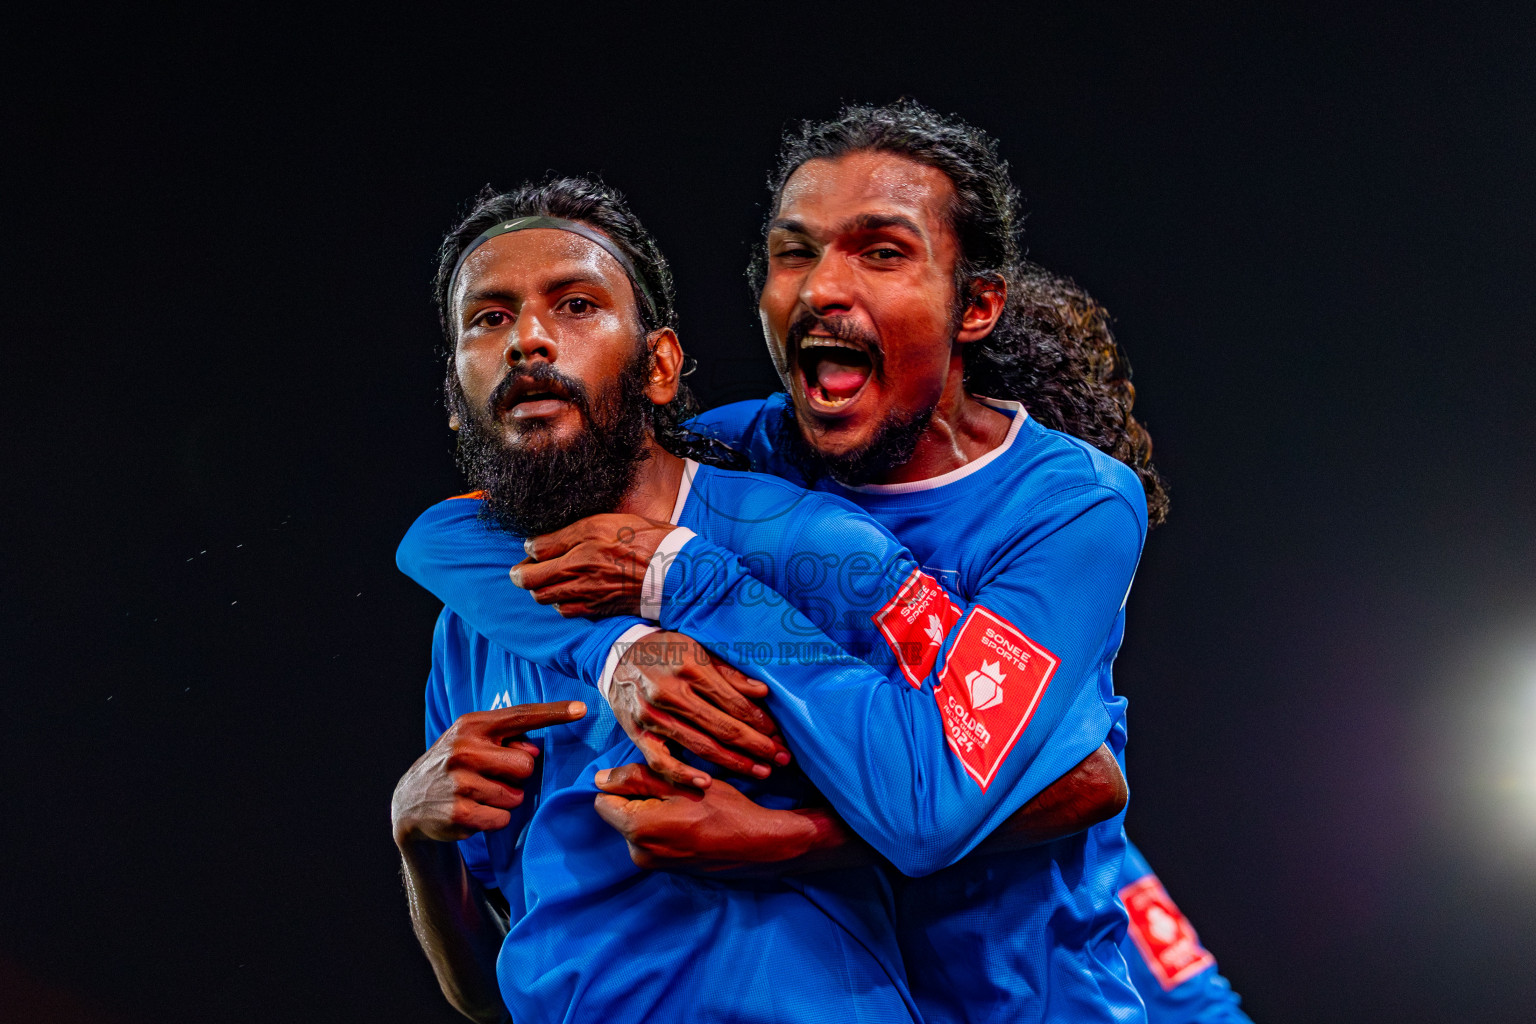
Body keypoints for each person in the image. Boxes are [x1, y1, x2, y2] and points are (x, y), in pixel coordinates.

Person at [399, 105, 1169, 1023]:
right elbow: (447, 536)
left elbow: (1078, 783)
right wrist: (617, 648)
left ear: (976, 305)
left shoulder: (1067, 504)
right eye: (794, 253)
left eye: (880, 252)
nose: (822, 290)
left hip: (1030, 1000)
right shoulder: (741, 455)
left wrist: (780, 839)